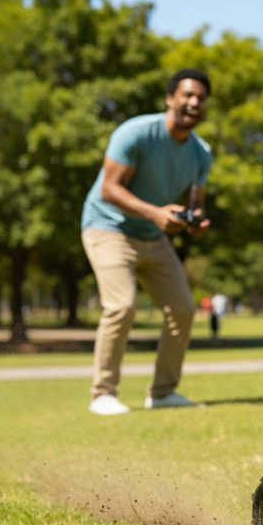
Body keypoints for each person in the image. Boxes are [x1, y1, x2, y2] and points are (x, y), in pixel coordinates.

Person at [80, 68, 213, 415]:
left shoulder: (201, 153)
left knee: (183, 308)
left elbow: (195, 202)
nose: (194, 102)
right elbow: (110, 189)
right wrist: (156, 213)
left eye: (200, 98)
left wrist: (195, 222)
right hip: (107, 227)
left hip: (151, 236)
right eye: (187, 95)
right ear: (170, 98)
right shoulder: (136, 132)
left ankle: (163, 393)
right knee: (121, 306)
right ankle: (103, 394)